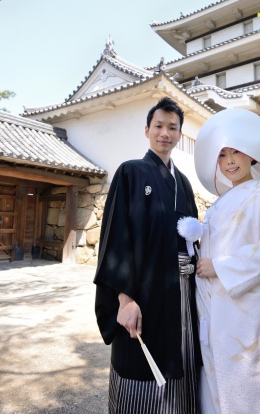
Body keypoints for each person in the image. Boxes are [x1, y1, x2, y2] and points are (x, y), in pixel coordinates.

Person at [94, 97, 202, 414]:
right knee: (140, 366)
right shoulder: (130, 172)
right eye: (159, 126)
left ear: (180, 134)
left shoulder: (183, 183)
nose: (165, 133)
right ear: (147, 130)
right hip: (142, 292)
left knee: (180, 364)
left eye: (172, 127)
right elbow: (115, 238)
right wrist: (124, 300)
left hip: (181, 293)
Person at [193, 108, 260, 414]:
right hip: (216, 306)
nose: (229, 161)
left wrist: (221, 266)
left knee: (255, 385)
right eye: (222, 154)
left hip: (250, 308)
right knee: (219, 384)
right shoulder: (217, 205)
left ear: (251, 155)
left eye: (236, 152)